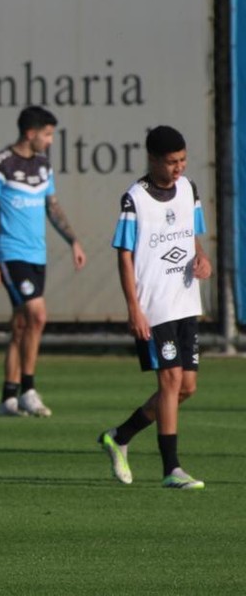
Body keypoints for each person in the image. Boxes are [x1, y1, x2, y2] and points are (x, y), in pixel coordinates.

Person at [98, 126, 211, 489]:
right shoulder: (135, 199)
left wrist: (202, 258)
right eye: (171, 162)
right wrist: (134, 308)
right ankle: (171, 469)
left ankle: (120, 435)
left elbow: (192, 235)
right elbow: (124, 256)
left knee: (186, 387)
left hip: (185, 301)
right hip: (155, 305)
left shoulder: (189, 189)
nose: (179, 167)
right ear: (153, 160)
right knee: (171, 380)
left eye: (183, 160)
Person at [0, 106, 86, 417]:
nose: (50, 141)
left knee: (21, 325)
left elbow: (52, 207)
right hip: (10, 254)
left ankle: (7, 398)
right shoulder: (0, 164)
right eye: (47, 134)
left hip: (37, 254)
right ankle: (28, 389)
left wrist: (73, 240)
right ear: (30, 133)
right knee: (37, 315)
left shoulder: (43, 166)